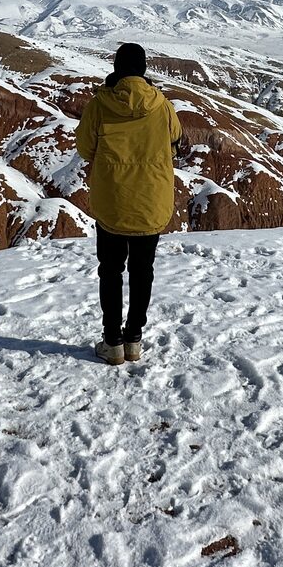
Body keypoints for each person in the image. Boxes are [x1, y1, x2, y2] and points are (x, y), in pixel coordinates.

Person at [75, 42, 182, 365]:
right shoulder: (162, 105)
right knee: (142, 271)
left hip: (112, 202)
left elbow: (84, 148)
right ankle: (134, 338)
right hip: (151, 201)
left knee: (110, 271)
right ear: (143, 69)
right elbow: (175, 141)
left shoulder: (100, 104)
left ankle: (113, 342)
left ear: (117, 68)